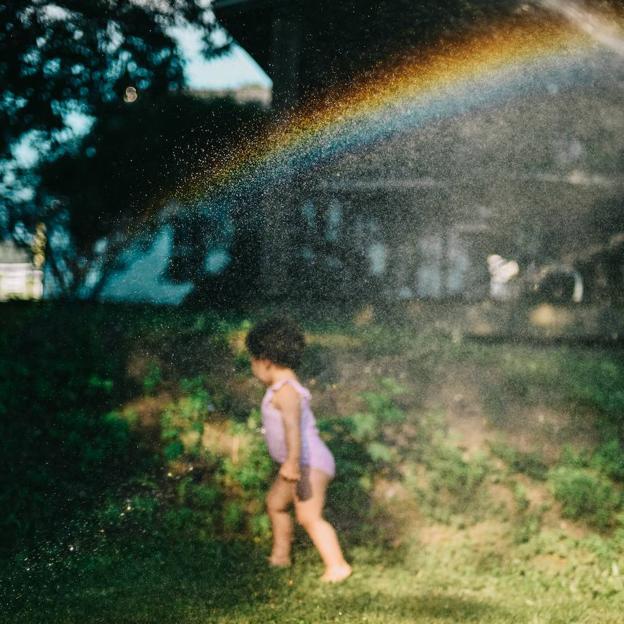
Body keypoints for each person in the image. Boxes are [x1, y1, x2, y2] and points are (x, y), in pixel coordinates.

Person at [245, 317, 352, 583]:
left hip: (307, 462)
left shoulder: (286, 392)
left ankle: (338, 566)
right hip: (297, 463)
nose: (252, 367)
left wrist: (292, 463)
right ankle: (280, 557)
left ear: (265, 360)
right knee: (276, 505)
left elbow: (293, 429)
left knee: (308, 516)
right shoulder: (281, 389)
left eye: (252, 360)